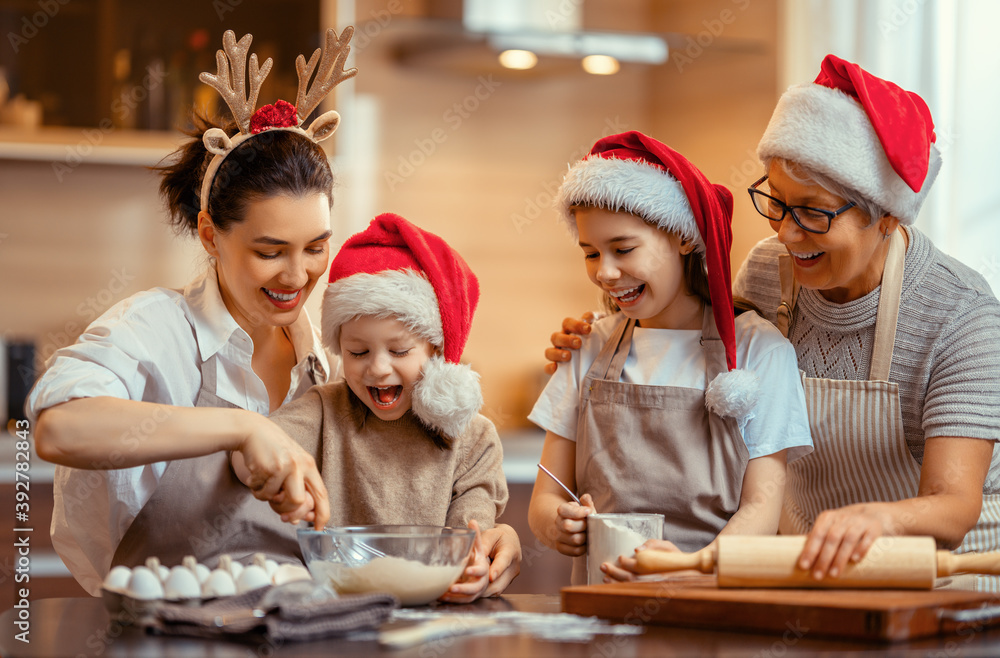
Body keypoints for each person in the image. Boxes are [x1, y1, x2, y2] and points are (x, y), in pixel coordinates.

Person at [548, 57, 1000, 590]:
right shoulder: (768, 273)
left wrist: (879, 517)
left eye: (813, 212)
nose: (786, 234)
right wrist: (602, 328)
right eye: (777, 203)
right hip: (807, 572)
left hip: (946, 581)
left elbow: (953, 506)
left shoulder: (961, 313)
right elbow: (701, 345)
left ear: (886, 216)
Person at [527, 131, 813, 585]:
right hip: (602, 610)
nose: (604, 272)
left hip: (714, 607)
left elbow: (763, 509)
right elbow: (545, 499)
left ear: (683, 237)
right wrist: (558, 524)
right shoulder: (587, 347)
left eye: (623, 249)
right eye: (590, 253)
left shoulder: (760, 351)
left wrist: (692, 568)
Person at [253, 212, 510, 602]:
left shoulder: (473, 438)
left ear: (436, 349)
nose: (377, 367)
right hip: (336, 613)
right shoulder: (324, 411)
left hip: (434, 618)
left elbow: (469, 533)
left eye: (400, 350)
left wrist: (474, 566)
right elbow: (264, 443)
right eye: (357, 351)